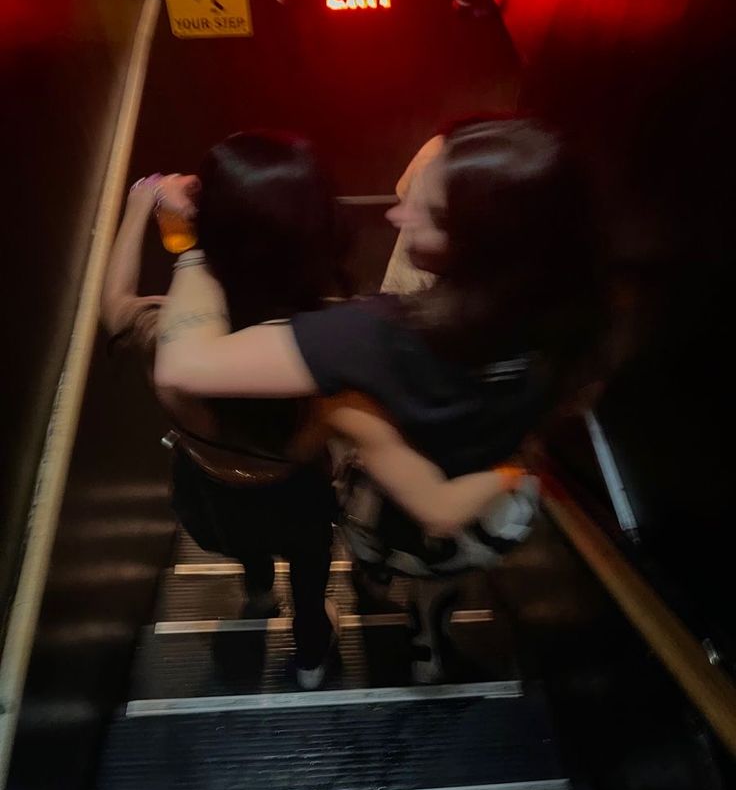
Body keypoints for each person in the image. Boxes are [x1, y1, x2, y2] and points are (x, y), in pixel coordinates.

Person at [154, 117, 606, 680]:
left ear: (480, 242)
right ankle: (426, 640)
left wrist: (191, 245)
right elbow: (575, 399)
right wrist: (518, 464)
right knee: (445, 578)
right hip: (490, 522)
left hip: (401, 521)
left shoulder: (371, 337)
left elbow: (184, 364)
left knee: (384, 562)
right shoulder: (583, 317)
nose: (396, 213)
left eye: (429, 211)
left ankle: (372, 592)